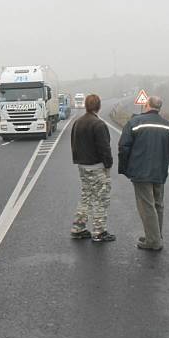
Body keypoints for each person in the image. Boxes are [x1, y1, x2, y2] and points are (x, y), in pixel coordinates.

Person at [118, 96, 169, 251]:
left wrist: (125, 168)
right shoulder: (168, 126)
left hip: (140, 171)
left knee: (147, 206)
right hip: (159, 171)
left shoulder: (134, 123)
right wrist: (164, 161)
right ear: (159, 108)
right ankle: (155, 236)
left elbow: (123, 147)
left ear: (146, 105)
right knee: (158, 205)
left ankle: (153, 241)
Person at [69, 94, 115, 242]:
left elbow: (73, 144)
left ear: (86, 106)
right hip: (97, 167)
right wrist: (108, 164)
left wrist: (78, 160)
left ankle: (78, 228)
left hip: (82, 166)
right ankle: (99, 232)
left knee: (86, 196)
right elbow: (104, 148)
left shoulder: (77, 123)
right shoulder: (99, 124)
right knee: (101, 199)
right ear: (99, 106)